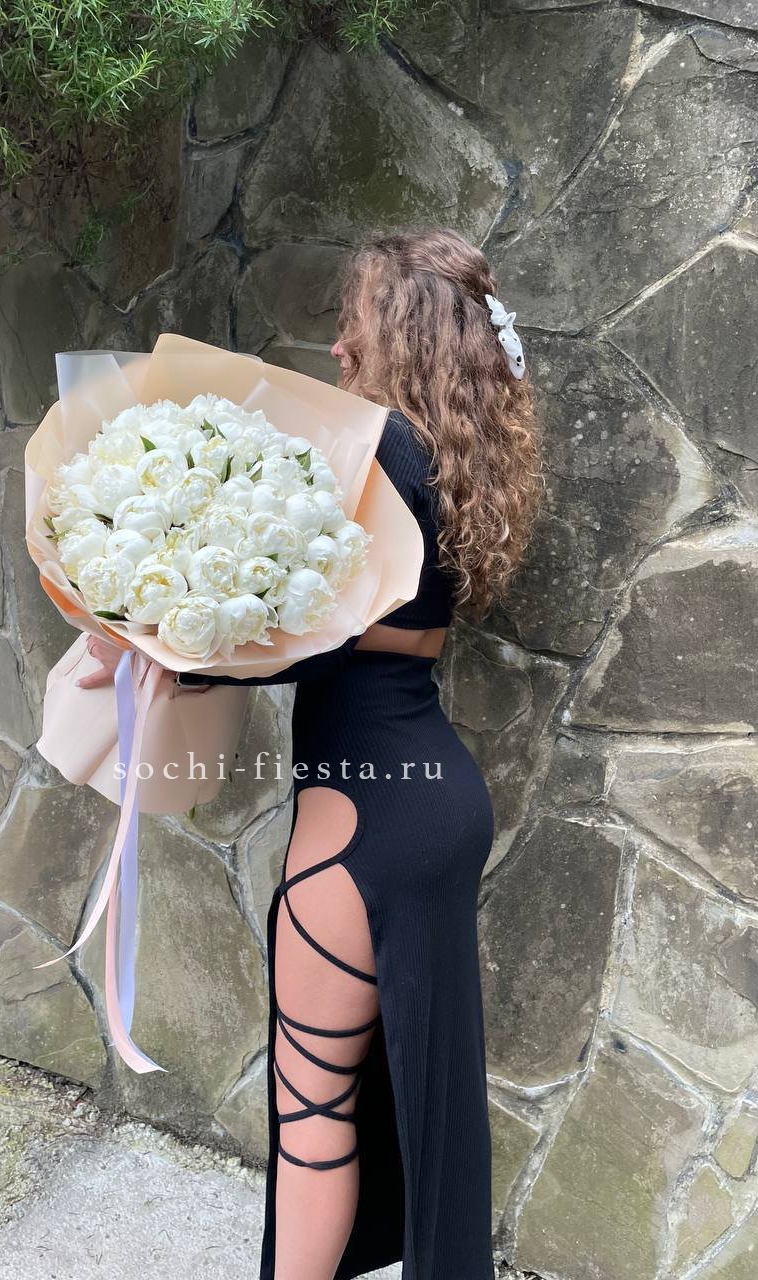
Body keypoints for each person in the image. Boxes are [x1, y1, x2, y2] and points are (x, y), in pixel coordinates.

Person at [80, 228, 543, 1280]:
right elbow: (342, 633)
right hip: (429, 798)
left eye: (355, 325)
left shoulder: (379, 453)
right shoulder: (445, 461)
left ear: (403, 339)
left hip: (369, 816)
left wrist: (174, 641)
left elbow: (301, 634)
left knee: (313, 1110)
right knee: (383, 1100)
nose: (337, 346)